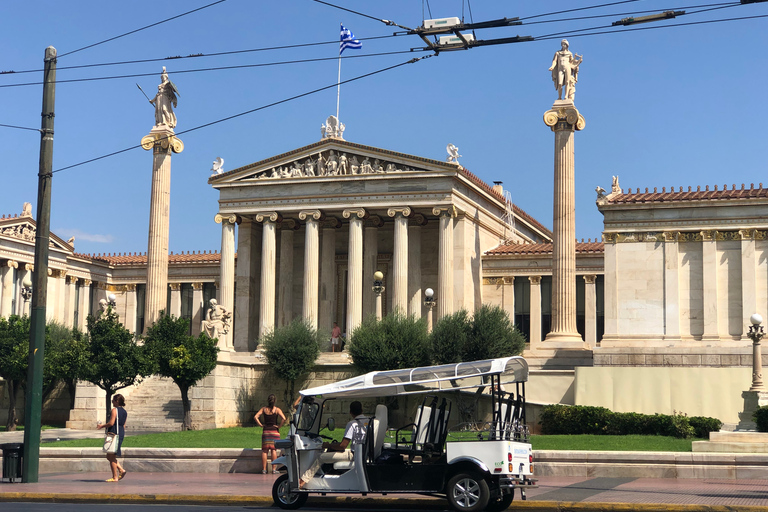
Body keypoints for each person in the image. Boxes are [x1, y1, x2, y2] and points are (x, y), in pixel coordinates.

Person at [300, 401, 368, 488]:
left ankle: (302, 481)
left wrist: (328, 445)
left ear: (350, 412)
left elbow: (343, 445)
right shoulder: (369, 422)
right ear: (362, 410)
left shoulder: (352, 424)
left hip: (355, 455)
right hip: (365, 453)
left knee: (321, 457)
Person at [97, 394, 127, 482]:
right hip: (120, 433)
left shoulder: (115, 410)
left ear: (117, 401)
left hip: (113, 433)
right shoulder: (124, 412)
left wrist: (102, 426)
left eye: (113, 400)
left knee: (111, 456)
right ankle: (121, 470)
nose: (112, 402)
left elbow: (111, 423)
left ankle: (115, 477)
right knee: (109, 456)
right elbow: (124, 425)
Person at [254, 394, 286, 474]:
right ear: (275, 401)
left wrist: (261, 425)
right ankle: (274, 469)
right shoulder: (277, 409)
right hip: (274, 432)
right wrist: (279, 426)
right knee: (273, 450)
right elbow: (284, 418)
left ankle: (264, 469)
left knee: (265, 451)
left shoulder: (264, 409)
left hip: (266, 431)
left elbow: (255, 417)